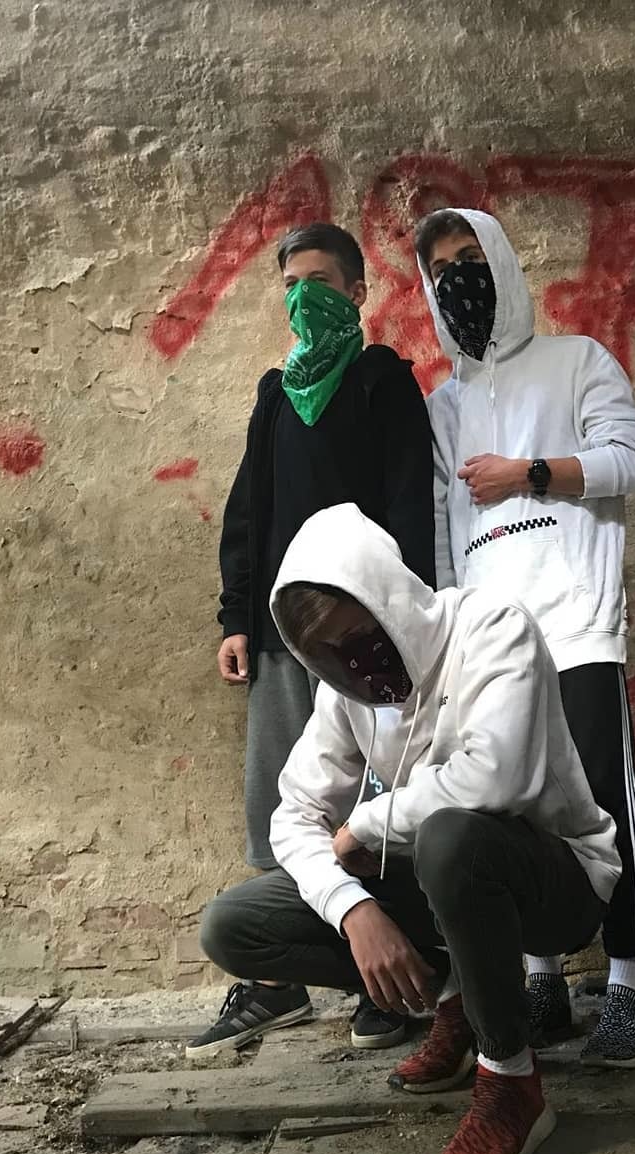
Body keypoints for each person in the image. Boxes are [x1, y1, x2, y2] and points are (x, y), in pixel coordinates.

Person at [199, 504, 620, 1154]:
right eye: (327, 652)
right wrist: (354, 912)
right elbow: (293, 815)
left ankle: (511, 1080)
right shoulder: (347, 693)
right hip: (441, 881)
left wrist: (366, 825)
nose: (352, 662)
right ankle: (455, 1001)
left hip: (556, 881)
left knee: (451, 836)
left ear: (390, 600)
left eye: (357, 637)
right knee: (236, 925)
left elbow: (497, 777)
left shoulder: (492, 627)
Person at [414, 208, 635, 1068]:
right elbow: (443, 531)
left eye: (470, 258)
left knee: (602, 799)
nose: (458, 278)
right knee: (507, 804)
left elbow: (632, 459)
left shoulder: (578, 361)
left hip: (575, 620)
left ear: (503, 264)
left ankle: (629, 984)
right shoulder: (444, 405)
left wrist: (528, 473)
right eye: (441, 269)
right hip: (490, 643)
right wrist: (450, 639)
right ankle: (542, 976)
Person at [187, 223, 436, 1062]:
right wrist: (236, 617)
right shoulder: (275, 394)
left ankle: (386, 979)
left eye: (321, 281)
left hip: (365, 633)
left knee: (371, 797)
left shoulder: (381, 382)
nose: (305, 298)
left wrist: (408, 624)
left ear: (358, 292)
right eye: (292, 284)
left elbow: (411, 505)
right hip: (278, 631)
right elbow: (248, 511)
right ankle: (276, 980)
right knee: (279, 799)